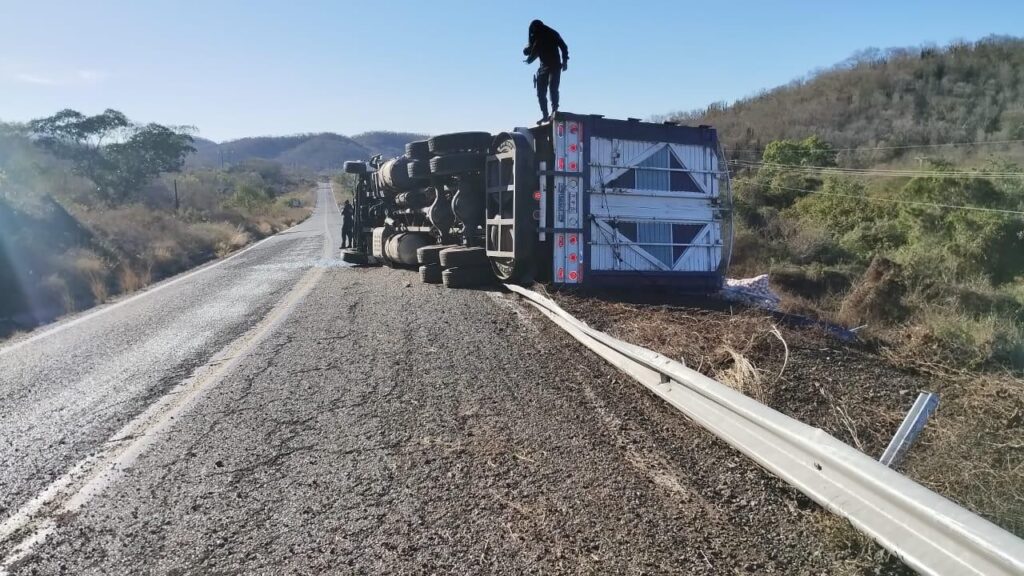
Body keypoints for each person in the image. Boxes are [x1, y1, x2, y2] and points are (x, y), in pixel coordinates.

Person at [523, 19, 569, 124]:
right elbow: (530, 50)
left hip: (555, 66)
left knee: (553, 88)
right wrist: (527, 51)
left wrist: (565, 61)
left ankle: (554, 111)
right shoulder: (536, 37)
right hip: (543, 68)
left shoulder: (552, 33)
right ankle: (545, 115)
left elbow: (563, 47)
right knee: (540, 93)